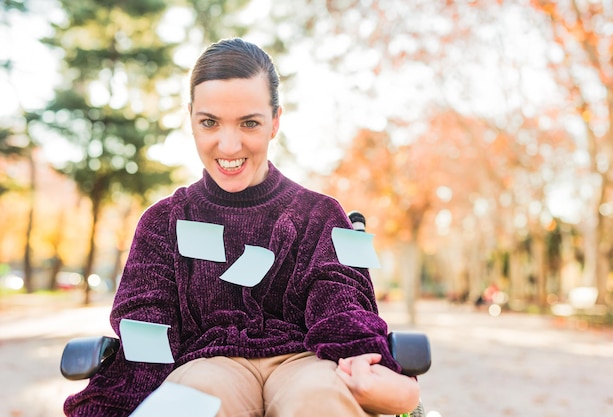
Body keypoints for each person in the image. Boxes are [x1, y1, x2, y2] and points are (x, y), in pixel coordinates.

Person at [64, 38, 420, 417]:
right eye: (209, 122)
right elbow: (146, 325)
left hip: (305, 360)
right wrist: (113, 401)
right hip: (207, 361)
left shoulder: (320, 214)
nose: (229, 145)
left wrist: (363, 359)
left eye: (249, 123)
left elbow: (343, 305)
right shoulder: (163, 222)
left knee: (319, 399)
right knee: (193, 401)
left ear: (275, 122)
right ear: (191, 119)